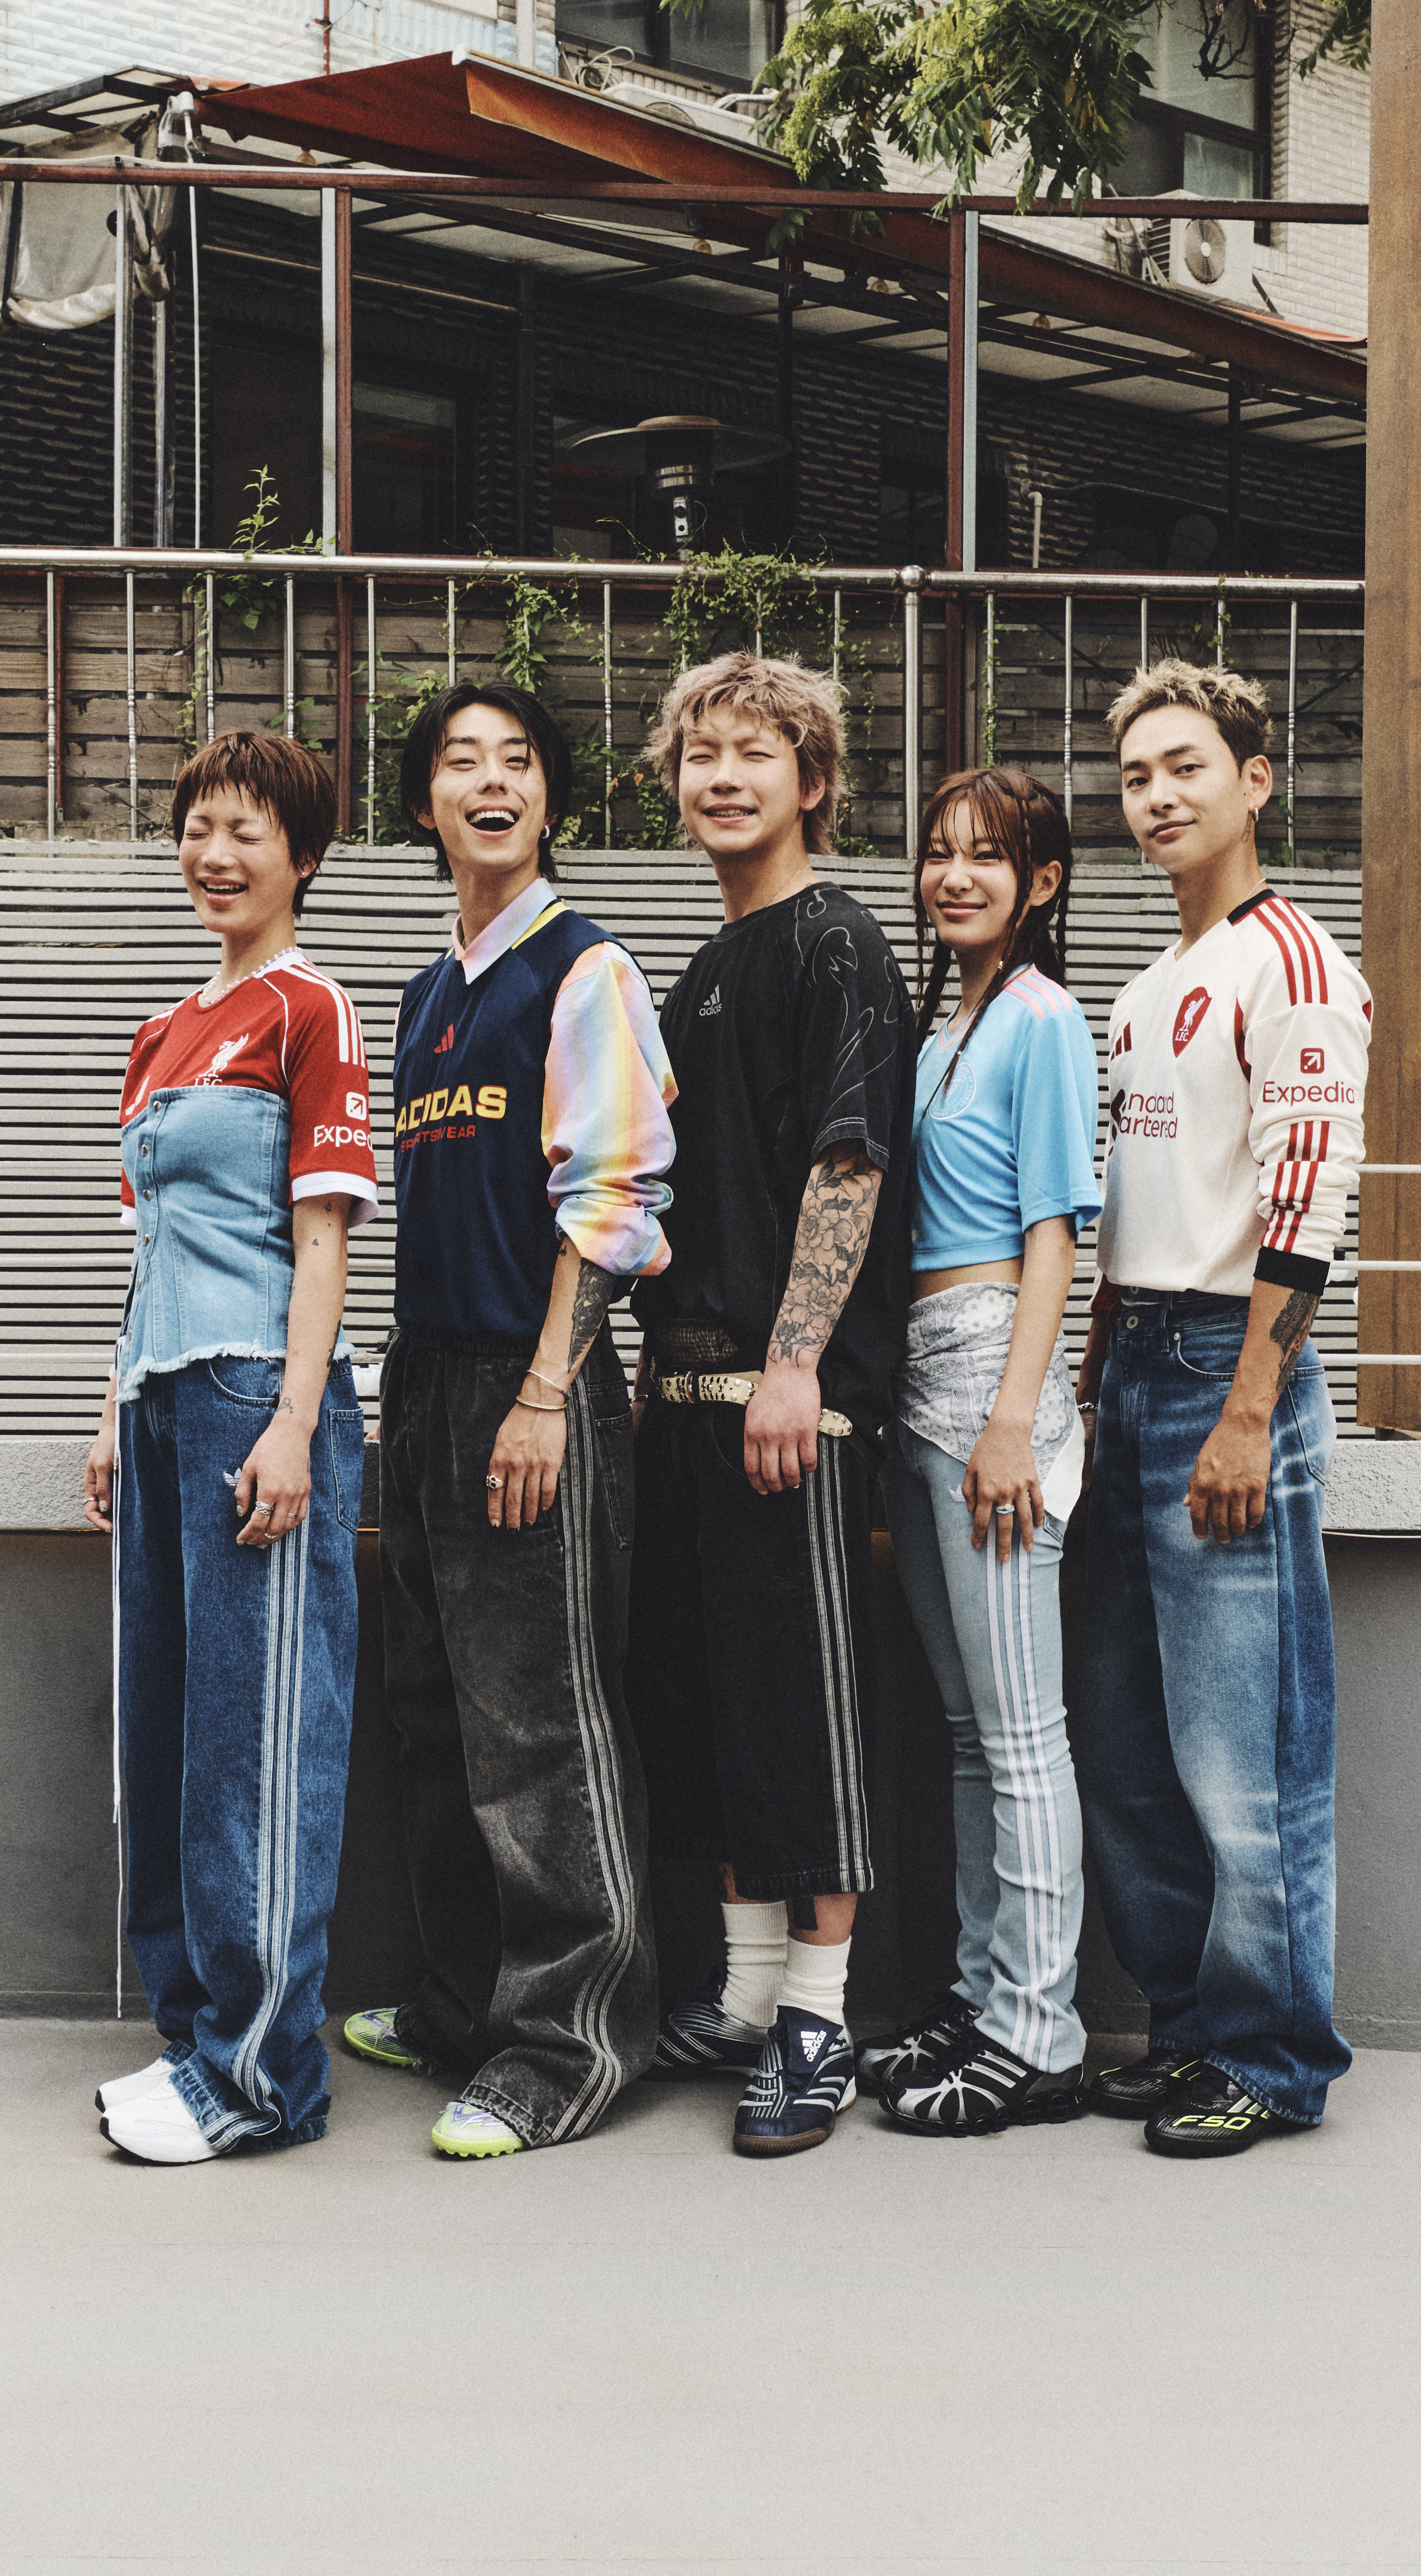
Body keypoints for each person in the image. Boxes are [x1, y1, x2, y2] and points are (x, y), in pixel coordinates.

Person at [342, 681, 675, 2160]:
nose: (492, 781)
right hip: (424, 1383)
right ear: (423, 804)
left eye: (519, 760)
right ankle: (465, 2006)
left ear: (549, 798)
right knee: (433, 1718)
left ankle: (569, 2044)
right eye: (461, 761)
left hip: (527, 1385)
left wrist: (547, 1390)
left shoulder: (583, 970)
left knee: (541, 1724)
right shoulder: (431, 990)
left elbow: (614, 1199)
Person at [1074, 658, 1370, 2158]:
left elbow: (1305, 1203)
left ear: (1254, 783)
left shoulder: (1294, 965)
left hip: (1223, 1368)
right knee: (1127, 1739)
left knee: (1242, 1749)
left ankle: (1270, 2056)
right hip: (1133, 1366)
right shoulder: (1144, 988)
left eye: (1184, 767)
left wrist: (1248, 1408)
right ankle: (1189, 2028)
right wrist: (1094, 1379)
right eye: (1135, 776)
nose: (1156, 797)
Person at [626, 650, 915, 2158]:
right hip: (686, 1399)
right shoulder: (701, 967)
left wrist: (797, 1364)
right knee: (712, 1706)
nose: (722, 777)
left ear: (813, 780)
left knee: (804, 1717)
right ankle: (744, 1996)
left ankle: (819, 2016)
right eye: (701, 754)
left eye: (755, 752)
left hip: (786, 1404)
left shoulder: (835, 945)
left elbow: (847, 1163)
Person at [83, 733, 377, 2165]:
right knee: (165, 1737)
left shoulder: (310, 1008)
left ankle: (262, 2079)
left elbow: (321, 1241)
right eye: (199, 827)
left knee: (253, 1743)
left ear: (301, 857)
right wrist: (109, 1406)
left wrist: (296, 1423)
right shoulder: (162, 1030)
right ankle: (194, 2032)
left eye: (248, 831)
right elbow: (153, 1243)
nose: (216, 854)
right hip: (160, 1402)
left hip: (255, 1394)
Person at [856, 768, 1103, 2138]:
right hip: (917, 1378)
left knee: (1020, 1735)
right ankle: (979, 1997)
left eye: (987, 857)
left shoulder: (1042, 1018)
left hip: (993, 1372)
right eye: (938, 853)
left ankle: (1040, 2035)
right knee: (966, 1732)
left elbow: (1056, 1231)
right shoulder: (944, 1018)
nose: (954, 876)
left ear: (1040, 883)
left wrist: (1016, 1416)